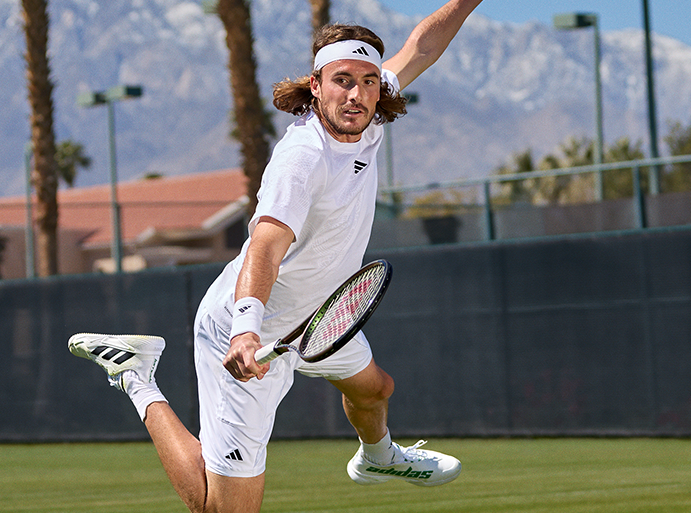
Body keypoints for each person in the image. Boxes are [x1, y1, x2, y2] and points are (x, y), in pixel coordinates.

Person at [68, 1, 482, 511]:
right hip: (248, 330)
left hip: (320, 318)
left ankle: (377, 456)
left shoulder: (368, 109)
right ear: (316, 85)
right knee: (223, 510)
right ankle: (137, 377)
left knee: (374, 390)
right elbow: (263, 247)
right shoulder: (301, 160)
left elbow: (422, 46)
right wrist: (245, 328)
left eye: (369, 81)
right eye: (343, 81)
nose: (357, 94)